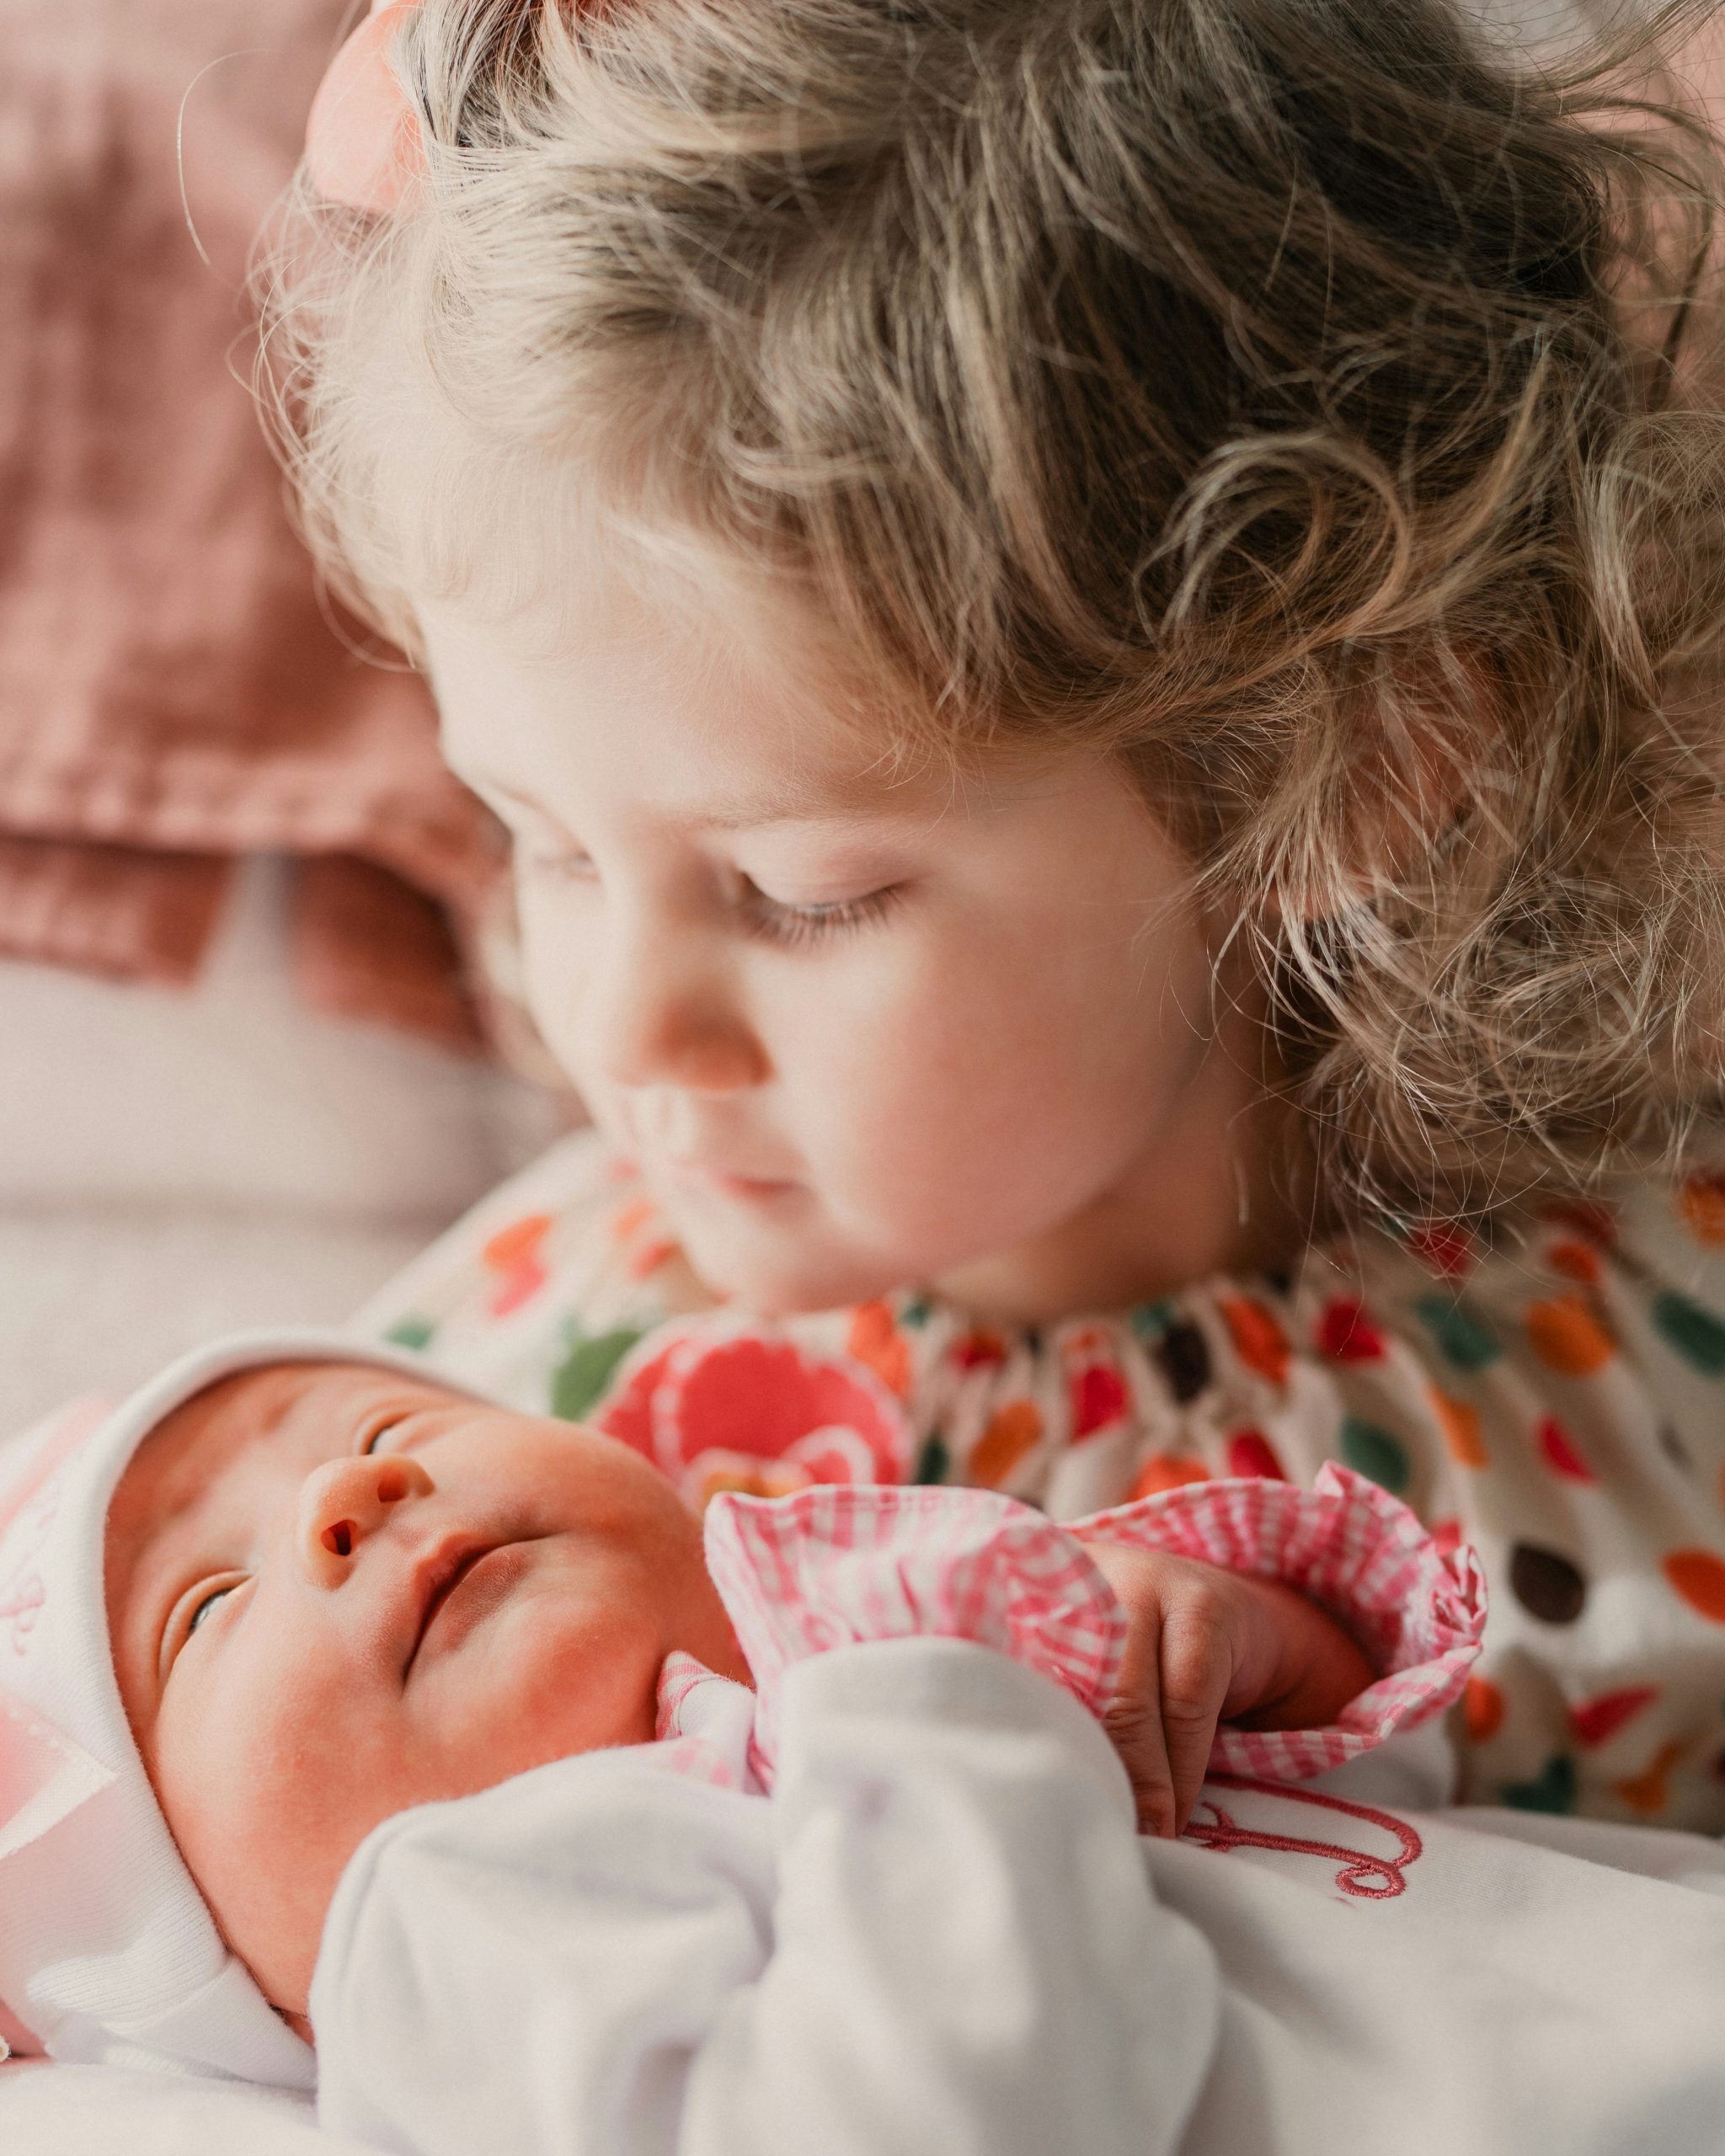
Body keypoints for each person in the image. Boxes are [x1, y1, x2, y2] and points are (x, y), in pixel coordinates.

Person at [267, 0, 1725, 1830]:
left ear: (1363, 762)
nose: (620, 1027)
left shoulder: (1653, 1382)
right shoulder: (515, 1429)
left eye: (803, 896)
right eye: (540, 841)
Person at [0, 1327, 1477, 2107]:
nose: (348, 1494)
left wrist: (1243, 1649)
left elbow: (1418, 1806)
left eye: (387, 1428)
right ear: (216, 1976)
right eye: (200, 1610)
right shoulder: (463, 1948)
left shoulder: (910, 1607)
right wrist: (950, 1715)